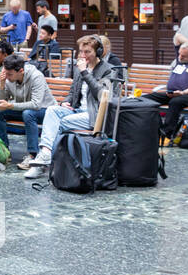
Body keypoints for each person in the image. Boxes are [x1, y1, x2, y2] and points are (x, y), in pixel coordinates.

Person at [23, 35, 117, 178]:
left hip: (95, 115)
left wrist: (85, 72)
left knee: (60, 123)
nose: (83, 55)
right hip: (77, 111)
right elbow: (73, 92)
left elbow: (101, 95)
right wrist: (66, 102)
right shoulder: (79, 68)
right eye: (81, 52)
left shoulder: (108, 70)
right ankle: (46, 155)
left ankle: (44, 161)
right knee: (52, 110)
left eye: (88, 52)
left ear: (97, 52)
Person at [0, 55, 54, 158]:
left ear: (21, 71)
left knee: (28, 113)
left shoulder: (36, 76)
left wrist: (10, 105)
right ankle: (4, 150)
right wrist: (1, 84)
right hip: (24, 109)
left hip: (45, 110)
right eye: (5, 73)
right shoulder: (7, 77)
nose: (7, 77)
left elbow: (36, 104)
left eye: (10, 74)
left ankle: (33, 155)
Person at [145, 41, 188, 141]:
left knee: (176, 102)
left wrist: (183, 92)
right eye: (179, 54)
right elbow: (177, 38)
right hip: (172, 93)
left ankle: (167, 134)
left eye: (183, 55)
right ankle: (149, 128)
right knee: (147, 98)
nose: (180, 57)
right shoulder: (181, 58)